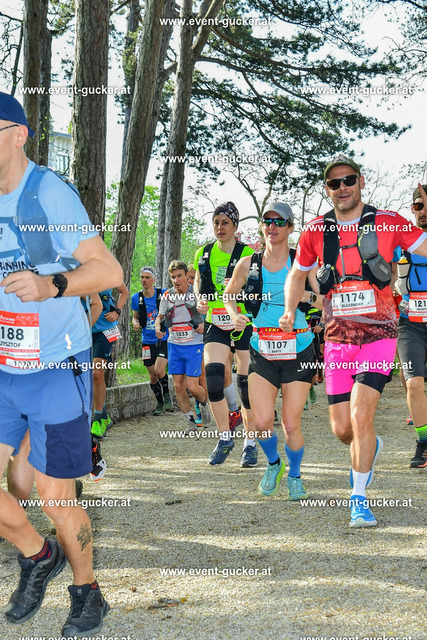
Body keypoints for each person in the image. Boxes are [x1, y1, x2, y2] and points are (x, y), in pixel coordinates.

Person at [0, 92, 122, 635]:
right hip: (4, 368)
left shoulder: (48, 193)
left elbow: (109, 270)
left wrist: (52, 284)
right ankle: (37, 555)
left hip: (54, 367)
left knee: (54, 498)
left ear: (18, 135)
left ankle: (87, 591)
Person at [281, 155, 427, 527]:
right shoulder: (315, 231)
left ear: (361, 182)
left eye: (348, 180)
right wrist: (288, 311)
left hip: (379, 334)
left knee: (362, 415)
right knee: (343, 428)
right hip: (337, 339)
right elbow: (297, 275)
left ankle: (358, 499)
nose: (342, 187)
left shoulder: (389, 222)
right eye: (334, 183)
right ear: (327, 190)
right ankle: (369, 446)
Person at [224, 203, 318, 499]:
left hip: (298, 350)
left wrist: (305, 296)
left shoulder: (303, 263)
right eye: (267, 221)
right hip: (262, 350)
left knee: (290, 424)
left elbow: (325, 301)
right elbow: (228, 295)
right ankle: (274, 464)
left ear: (291, 227)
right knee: (262, 422)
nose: (272, 226)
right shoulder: (247, 263)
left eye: (280, 221)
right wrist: (234, 315)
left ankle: (295, 475)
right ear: (261, 226)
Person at [194, 202, 257, 467]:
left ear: (235, 226)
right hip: (216, 323)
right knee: (214, 380)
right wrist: (199, 300)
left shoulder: (248, 254)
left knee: (246, 387)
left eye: (225, 223)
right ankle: (224, 437)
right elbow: (198, 281)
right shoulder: (204, 252)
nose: (220, 227)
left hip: (243, 323)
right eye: (216, 223)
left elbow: (258, 287)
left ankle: (250, 444)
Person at [155, 261, 211, 432]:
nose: (176, 280)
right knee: (178, 385)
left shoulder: (197, 293)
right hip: (174, 345)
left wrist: (204, 324)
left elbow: (210, 313)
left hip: (194, 344)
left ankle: (203, 403)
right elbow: (160, 316)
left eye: (179, 276)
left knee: (193, 386)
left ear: (187, 275)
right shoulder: (167, 296)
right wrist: (157, 327)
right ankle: (190, 422)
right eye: (173, 277)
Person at [395, 183, 427, 468]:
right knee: (414, 383)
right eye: (418, 206)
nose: (423, 211)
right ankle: (424, 442)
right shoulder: (401, 244)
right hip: (410, 324)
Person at [131, 266, 172, 415]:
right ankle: (160, 403)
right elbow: (135, 317)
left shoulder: (164, 294)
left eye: (147, 277)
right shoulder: (136, 298)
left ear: (154, 280)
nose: (144, 280)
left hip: (163, 338)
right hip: (146, 340)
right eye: (142, 277)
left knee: (159, 370)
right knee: (153, 376)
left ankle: (167, 395)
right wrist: (135, 323)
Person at [90, 284, 129, 438]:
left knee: (97, 373)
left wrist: (117, 311)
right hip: (83, 329)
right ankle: (105, 417)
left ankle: (97, 420)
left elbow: (124, 291)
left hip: (104, 329)